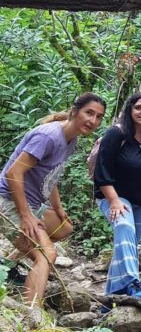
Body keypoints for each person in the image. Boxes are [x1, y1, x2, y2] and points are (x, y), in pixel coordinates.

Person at [0, 91, 106, 311]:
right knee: (47, 255)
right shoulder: (48, 136)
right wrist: (26, 217)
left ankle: (6, 266)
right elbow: (13, 174)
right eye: (89, 113)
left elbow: (52, 175)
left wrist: (57, 207)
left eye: (98, 117)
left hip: (33, 204)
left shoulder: (70, 139)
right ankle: (33, 320)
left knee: (63, 227)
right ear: (74, 111)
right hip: (7, 202)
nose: (92, 120)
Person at [93, 92, 141, 301]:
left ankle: (109, 300)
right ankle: (133, 282)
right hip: (114, 196)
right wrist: (114, 200)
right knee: (124, 227)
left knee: (127, 245)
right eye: (138, 107)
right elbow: (101, 169)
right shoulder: (117, 134)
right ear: (130, 109)